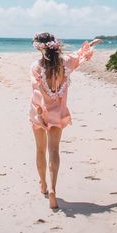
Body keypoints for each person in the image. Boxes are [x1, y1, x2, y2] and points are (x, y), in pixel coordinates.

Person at [29, 32, 103, 209]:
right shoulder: (65, 63)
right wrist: (91, 45)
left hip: (39, 111)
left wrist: (40, 112)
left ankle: (43, 184)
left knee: (40, 149)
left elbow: (36, 90)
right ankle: (53, 189)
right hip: (57, 113)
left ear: (39, 47)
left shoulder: (36, 66)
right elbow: (79, 56)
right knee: (54, 150)